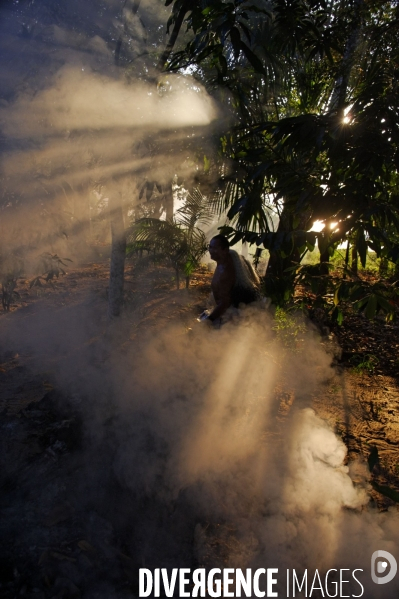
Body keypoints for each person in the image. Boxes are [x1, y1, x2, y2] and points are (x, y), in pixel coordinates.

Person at [199, 234, 260, 325]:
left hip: (229, 316)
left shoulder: (226, 272)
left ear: (225, 250)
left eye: (215, 248)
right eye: (210, 247)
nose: (211, 251)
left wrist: (209, 320)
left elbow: (225, 303)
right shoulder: (230, 258)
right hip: (227, 311)